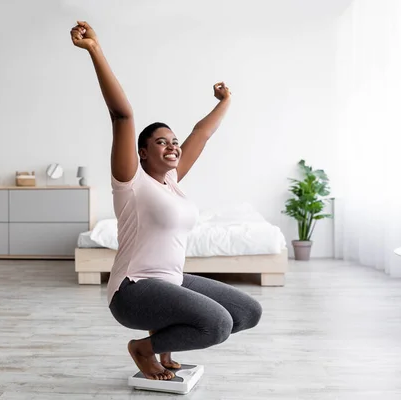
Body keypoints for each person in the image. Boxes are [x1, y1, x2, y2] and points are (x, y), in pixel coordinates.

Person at [70, 21, 262, 381]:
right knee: (218, 323)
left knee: (248, 311)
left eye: (173, 141)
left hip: (169, 281)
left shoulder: (171, 181)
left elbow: (201, 134)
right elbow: (122, 115)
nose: (172, 146)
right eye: (161, 142)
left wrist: (227, 101)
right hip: (133, 290)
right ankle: (144, 347)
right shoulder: (131, 182)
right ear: (141, 153)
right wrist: (95, 49)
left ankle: (162, 336)